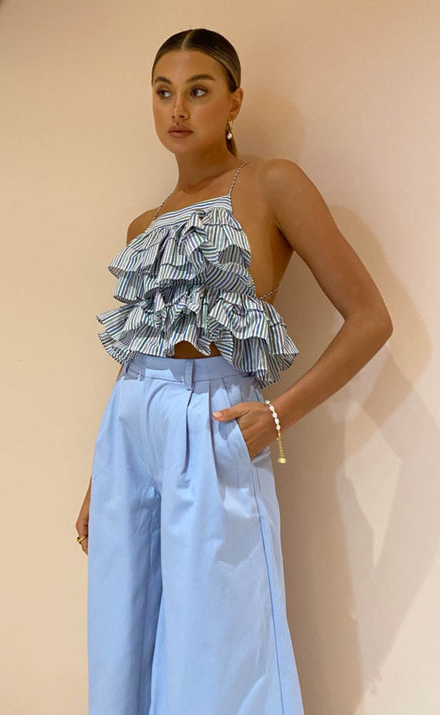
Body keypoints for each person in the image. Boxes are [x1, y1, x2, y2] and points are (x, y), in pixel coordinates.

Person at [75, 28, 392, 715]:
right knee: (123, 624)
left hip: (214, 417)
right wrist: (99, 479)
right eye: (163, 92)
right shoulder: (143, 226)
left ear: (234, 101)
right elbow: (136, 355)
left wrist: (279, 413)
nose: (177, 108)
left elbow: (370, 318)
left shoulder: (271, 184)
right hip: (130, 427)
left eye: (198, 90)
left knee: (218, 637)